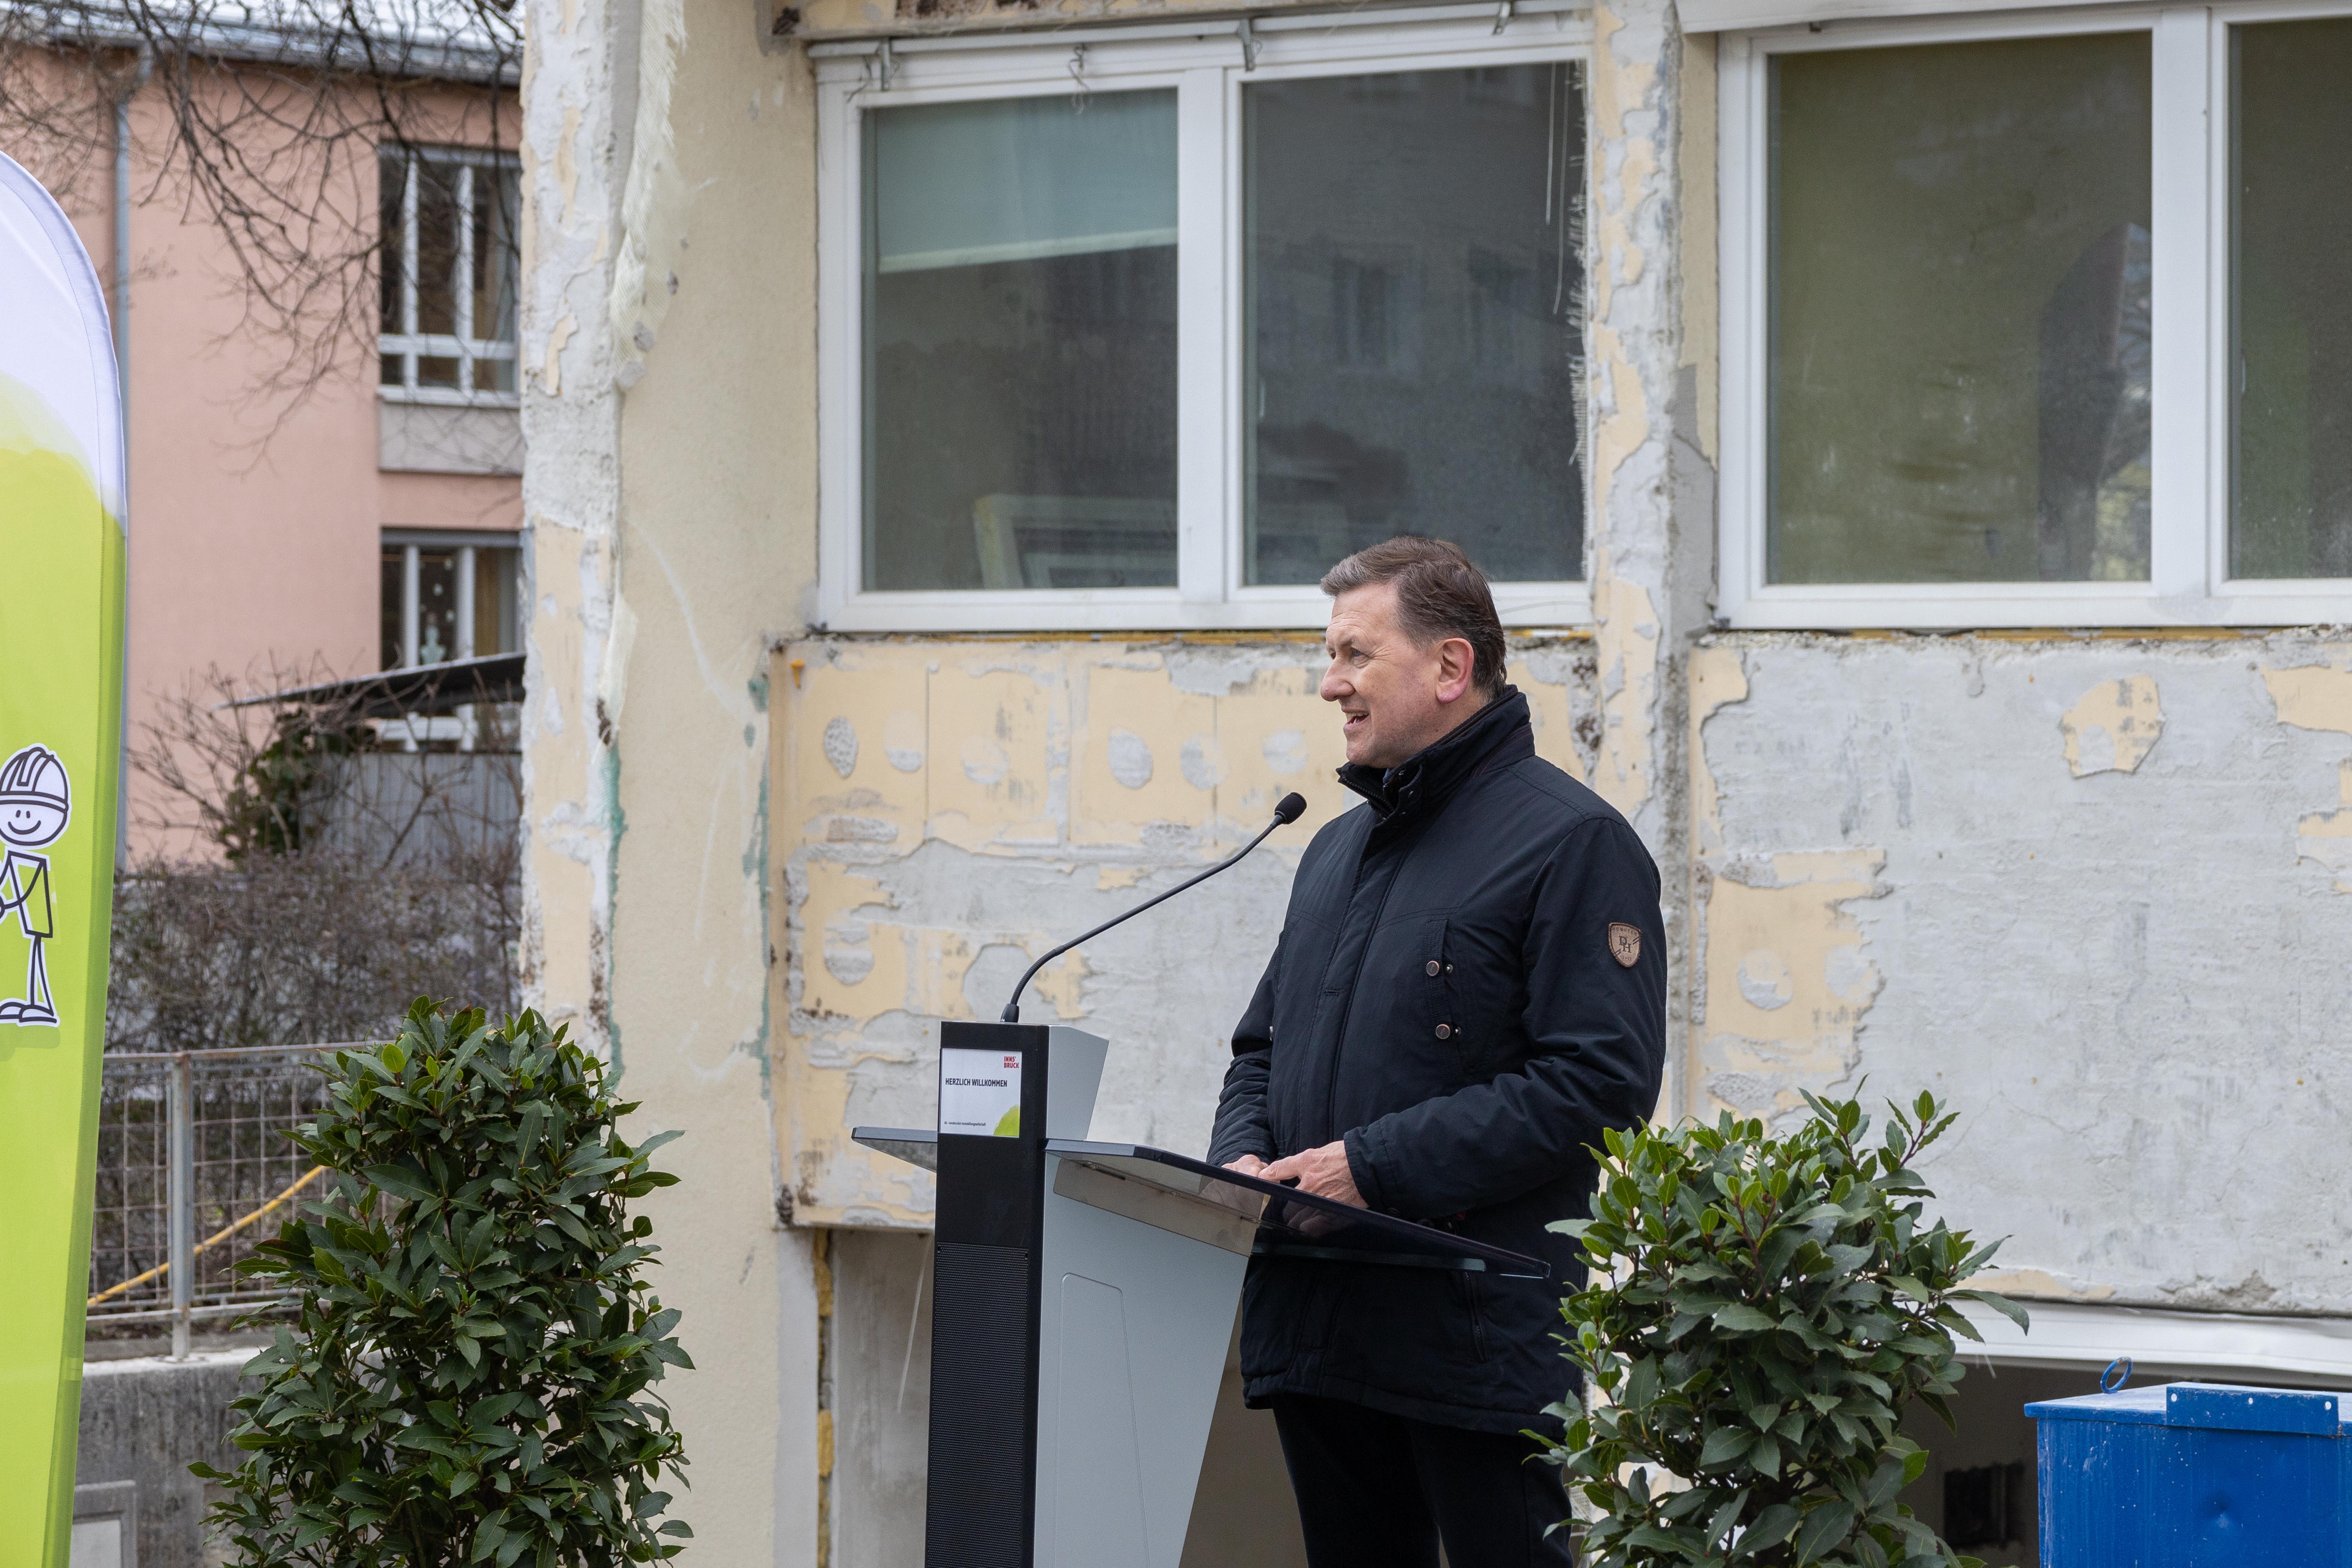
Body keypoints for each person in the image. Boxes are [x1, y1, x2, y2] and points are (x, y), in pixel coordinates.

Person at [1208, 536, 1666, 1568]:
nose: (1331, 686)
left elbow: (1599, 1082)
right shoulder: (1333, 848)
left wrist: (1367, 1169)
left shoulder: (1572, 843)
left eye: (1356, 656)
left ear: (1451, 667)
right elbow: (1259, 1048)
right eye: (1330, 658)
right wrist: (1238, 1161)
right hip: (1317, 1325)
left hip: (1472, 1339)